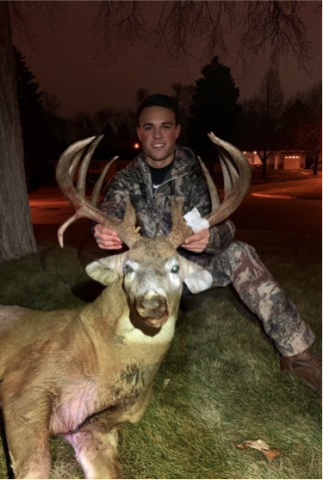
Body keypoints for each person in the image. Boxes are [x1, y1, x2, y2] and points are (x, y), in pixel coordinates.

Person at [93, 93, 323, 394]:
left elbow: (224, 224)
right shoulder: (124, 180)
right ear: (139, 132)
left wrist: (211, 237)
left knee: (240, 252)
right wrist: (100, 228)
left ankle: (298, 355)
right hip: (146, 276)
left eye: (165, 126)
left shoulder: (196, 178)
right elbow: (108, 213)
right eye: (149, 127)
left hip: (189, 270)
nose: (157, 134)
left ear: (176, 130)